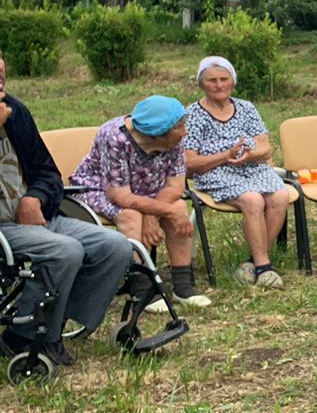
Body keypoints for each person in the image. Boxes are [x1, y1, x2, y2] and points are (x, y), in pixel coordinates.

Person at [0, 54, 133, 368]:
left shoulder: (15, 111)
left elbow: (47, 172)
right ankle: (26, 337)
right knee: (65, 251)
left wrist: (34, 198)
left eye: (1, 67)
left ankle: (51, 327)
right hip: (4, 228)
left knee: (114, 247)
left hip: (38, 217)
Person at [71, 95, 212, 307]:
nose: (185, 131)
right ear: (158, 134)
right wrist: (153, 211)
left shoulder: (175, 140)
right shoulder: (115, 137)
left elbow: (175, 185)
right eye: (180, 127)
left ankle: (182, 286)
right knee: (130, 216)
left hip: (149, 191)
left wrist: (153, 215)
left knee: (178, 206)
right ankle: (141, 288)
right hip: (99, 187)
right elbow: (119, 196)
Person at [184, 56, 297, 289]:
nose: (219, 85)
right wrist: (226, 156)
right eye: (212, 80)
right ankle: (265, 267)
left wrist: (249, 156)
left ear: (232, 81)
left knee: (281, 195)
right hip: (213, 171)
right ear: (201, 84)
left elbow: (265, 147)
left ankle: (251, 263)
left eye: (224, 79)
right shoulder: (193, 114)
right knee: (253, 200)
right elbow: (190, 161)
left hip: (251, 167)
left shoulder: (246, 108)